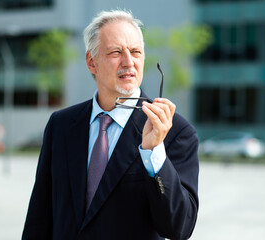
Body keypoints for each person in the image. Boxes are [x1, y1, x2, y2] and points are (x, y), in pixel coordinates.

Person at [22, 10, 199, 240]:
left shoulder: (176, 132)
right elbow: (40, 217)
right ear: (91, 62)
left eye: (135, 52)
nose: (128, 62)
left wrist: (154, 152)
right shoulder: (61, 125)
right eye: (116, 52)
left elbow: (179, 227)